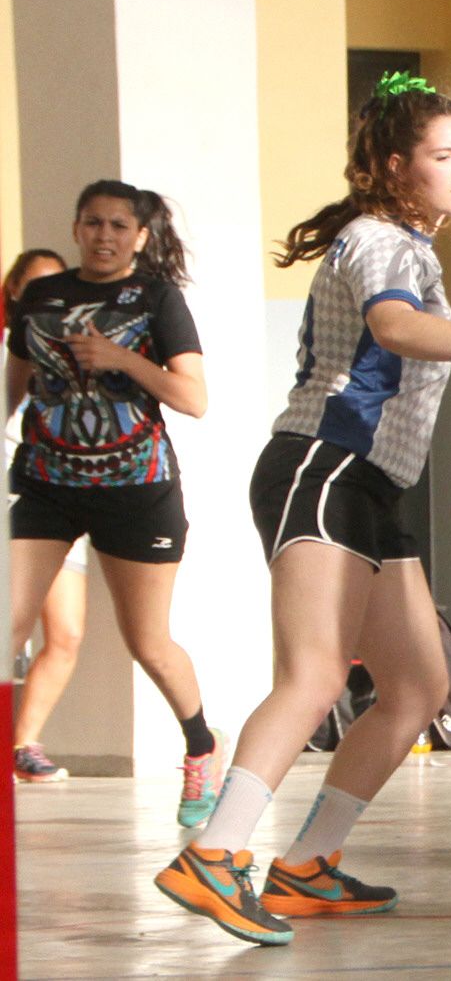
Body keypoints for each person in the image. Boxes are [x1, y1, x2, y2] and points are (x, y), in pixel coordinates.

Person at [156, 73, 451, 947]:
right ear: (395, 166)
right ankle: (213, 853)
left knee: (419, 687)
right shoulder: (381, 241)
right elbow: (394, 327)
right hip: (324, 468)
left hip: (373, 486)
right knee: (315, 675)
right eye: (443, 156)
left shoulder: (409, 245)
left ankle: (307, 863)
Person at [7, 185, 224, 819]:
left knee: (148, 642)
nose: (105, 235)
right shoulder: (41, 297)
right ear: (76, 227)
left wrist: (119, 357)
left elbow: (193, 399)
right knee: (8, 623)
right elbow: (14, 386)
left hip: (136, 488)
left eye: (119, 226)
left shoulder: (156, 298)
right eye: (94, 223)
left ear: (140, 236)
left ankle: (202, 747)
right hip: (45, 482)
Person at [4, 248, 90, 784]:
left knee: (66, 633)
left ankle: (23, 745)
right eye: (35, 285)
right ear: (14, 290)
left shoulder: (76, 352)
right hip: (15, 501)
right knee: (10, 628)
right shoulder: (10, 347)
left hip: (60, 494)